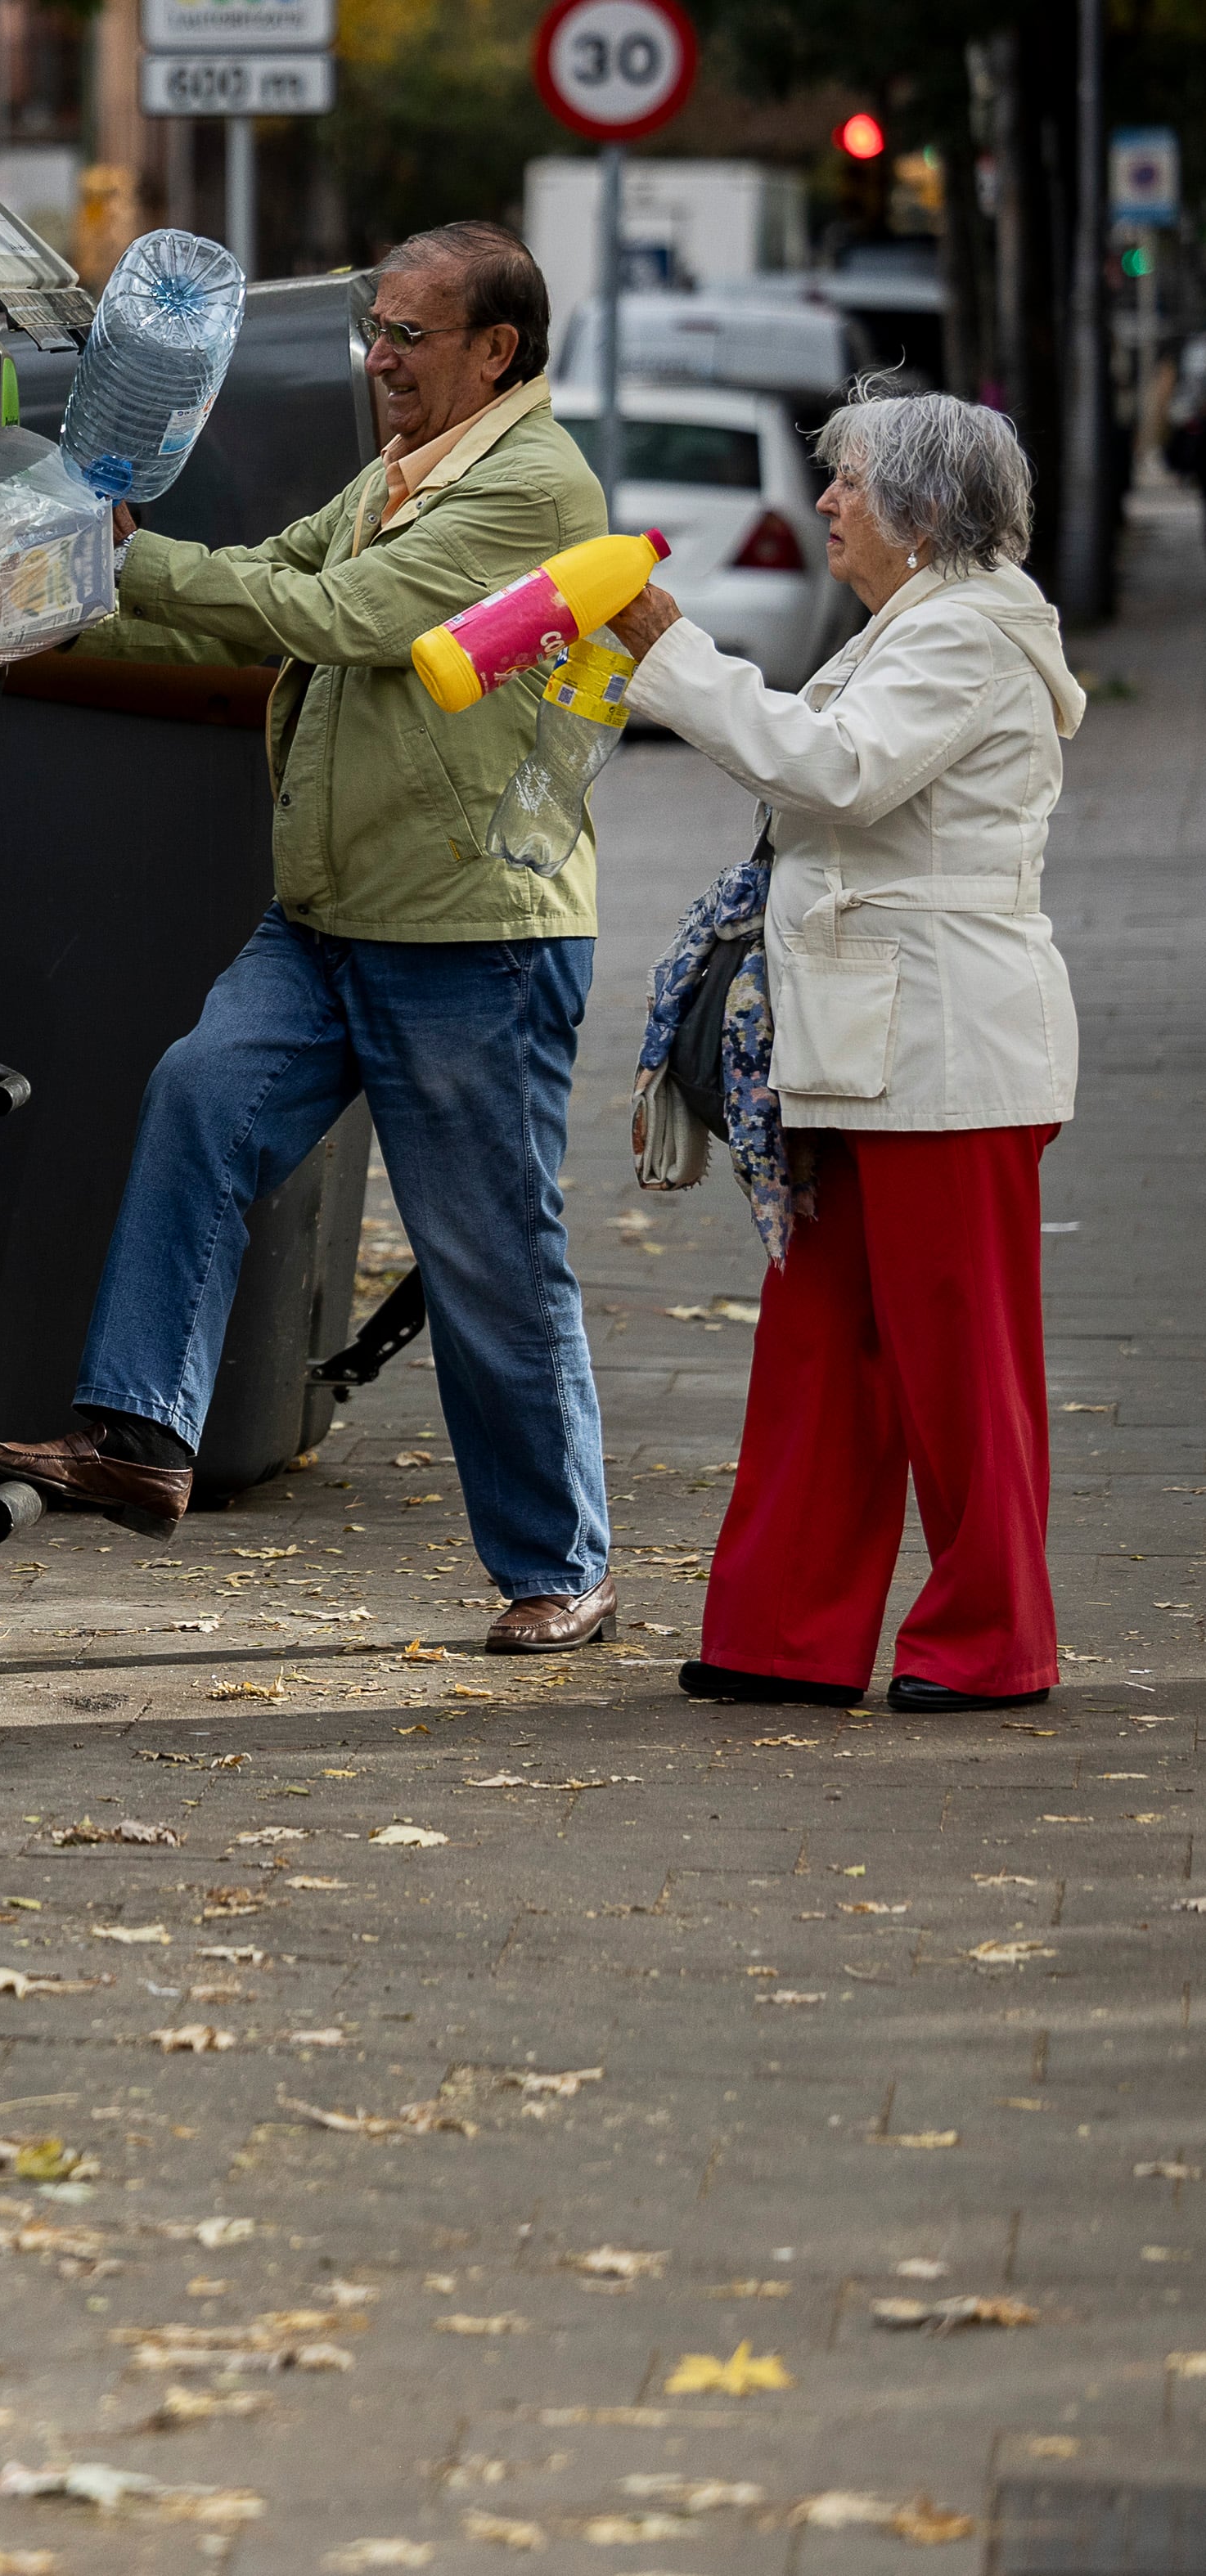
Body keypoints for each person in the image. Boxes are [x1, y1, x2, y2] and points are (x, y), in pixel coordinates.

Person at [0, 220, 621, 1655]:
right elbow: (256, 598)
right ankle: (137, 1433)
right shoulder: (406, 469)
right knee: (197, 1093)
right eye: (371, 330)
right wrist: (46, 614)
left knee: (489, 1258)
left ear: (491, 349)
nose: (376, 358)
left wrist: (123, 558)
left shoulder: (528, 488)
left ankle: (558, 1560)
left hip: (465, 933)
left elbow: (332, 617)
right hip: (327, 912)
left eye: (405, 335)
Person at [606, 392, 1081, 1714]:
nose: (824, 501)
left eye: (849, 482)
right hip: (875, 1041)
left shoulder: (969, 634)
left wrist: (674, 655)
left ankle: (988, 1639)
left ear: (922, 513)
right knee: (823, 1348)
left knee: (953, 1360)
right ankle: (779, 1630)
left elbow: (836, 772)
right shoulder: (926, 625)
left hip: (939, 1048)